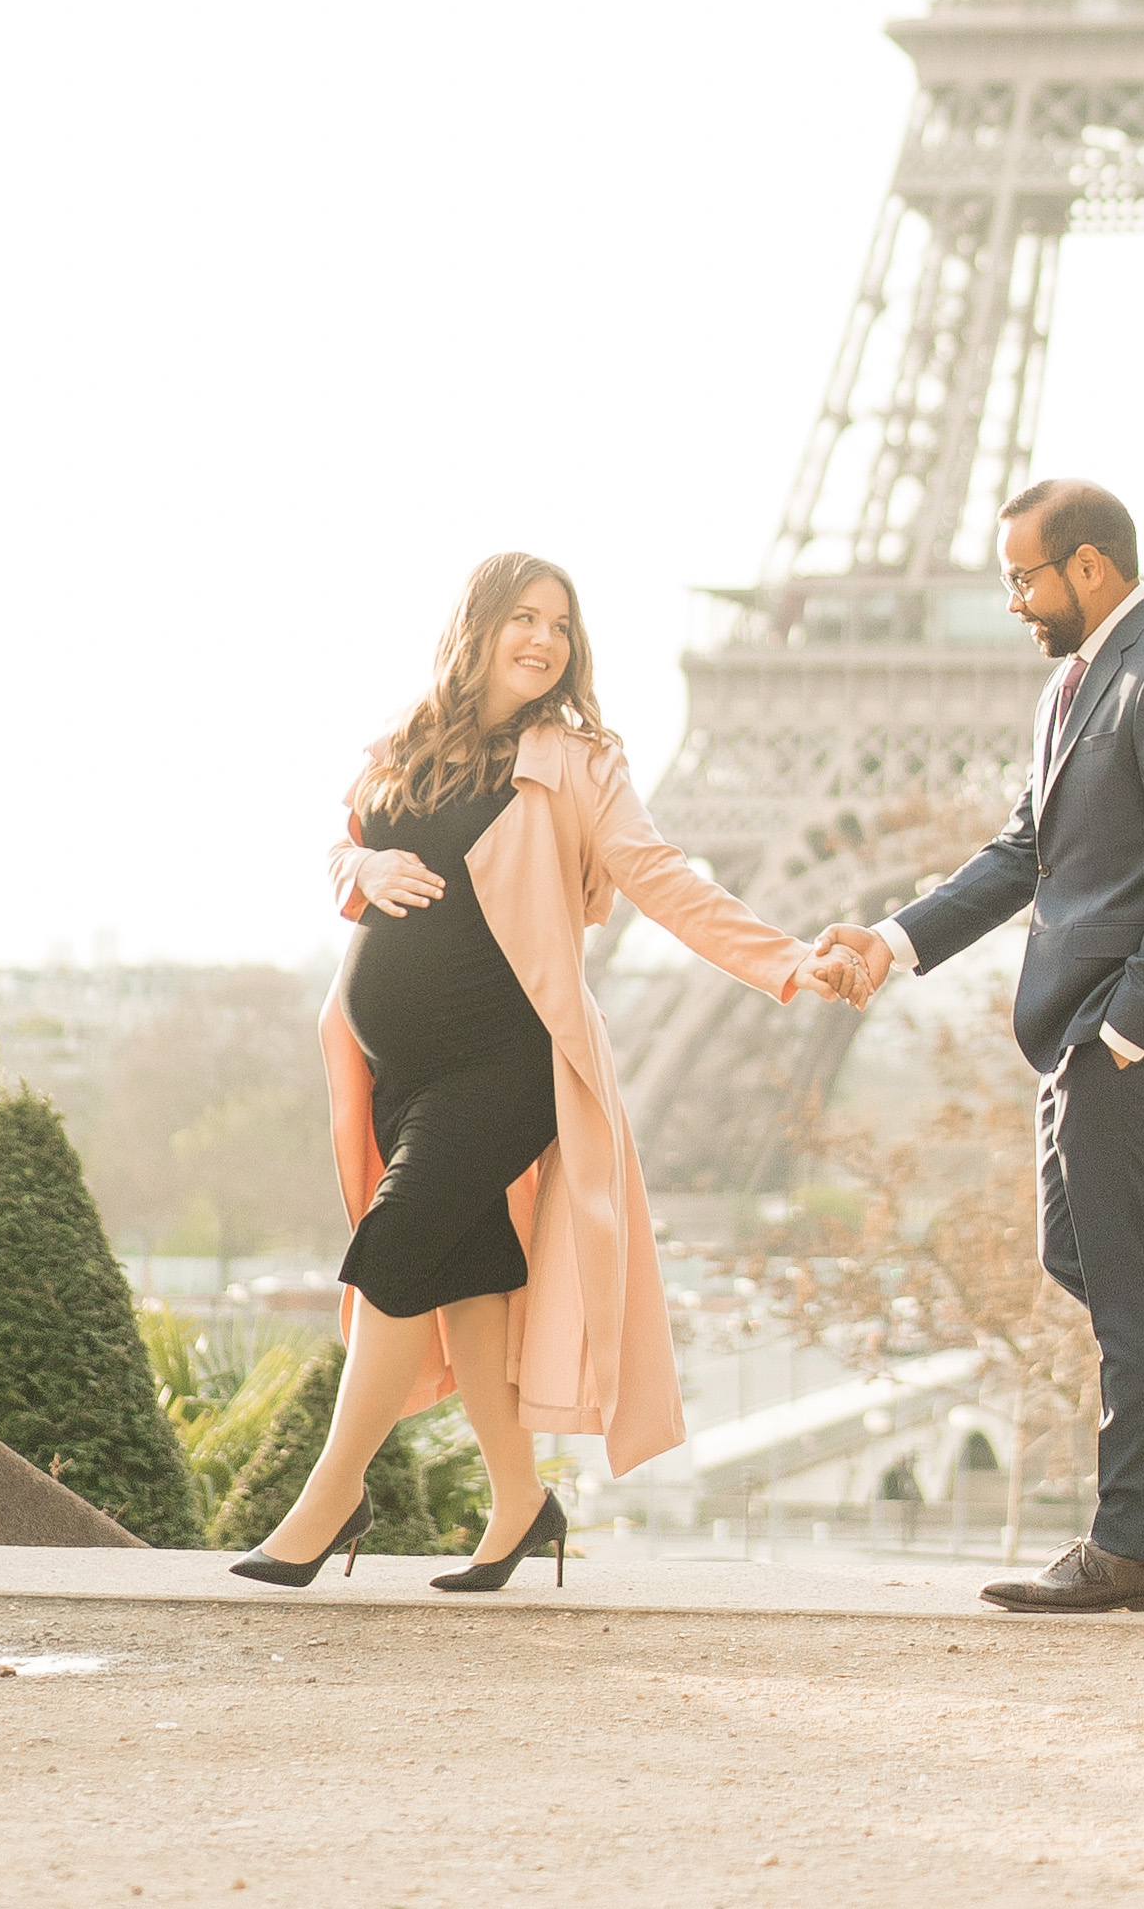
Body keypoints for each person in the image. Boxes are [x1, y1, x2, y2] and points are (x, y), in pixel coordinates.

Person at [231, 549, 868, 1591]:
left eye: (559, 625)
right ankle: (522, 1502)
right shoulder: (403, 743)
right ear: (474, 628)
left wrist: (790, 961)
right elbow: (342, 846)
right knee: (465, 1276)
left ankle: (330, 1496)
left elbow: (662, 879)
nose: (541, 639)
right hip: (398, 1070)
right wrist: (363, 869)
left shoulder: (578, 762)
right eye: (522, 617)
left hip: (507, 1061)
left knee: (394, 1249)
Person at [816, 478, 1144, 1614]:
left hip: (1140, 1027)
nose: (1011, 600)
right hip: (1089, 1026)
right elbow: (1020, 852)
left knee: (1129, 1276)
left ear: (1087, 565)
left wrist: (1133, 1029)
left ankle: (1129, 1542)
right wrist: (891, 941)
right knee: (1087, 1258)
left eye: (1021, 576)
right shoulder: (1075, 686)